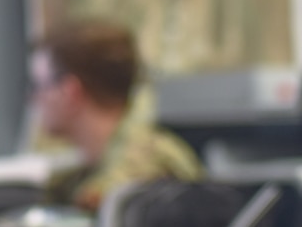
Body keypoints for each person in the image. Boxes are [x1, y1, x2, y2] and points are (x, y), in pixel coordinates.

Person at [32, 20, 203, 211]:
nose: (34, 99)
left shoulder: (144, 163)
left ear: (70, 92)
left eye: (39, 86)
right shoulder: (89, 171)